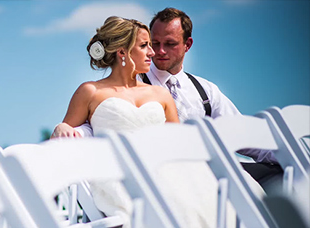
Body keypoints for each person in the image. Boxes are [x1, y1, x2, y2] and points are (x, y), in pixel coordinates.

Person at [54, 14, 278, 228]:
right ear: (123, 52)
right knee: (176, 198)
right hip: (125, 174)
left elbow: (179, 141)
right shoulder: (91, 91)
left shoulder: (160, 94)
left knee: (228, 190)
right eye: (146, 46)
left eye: (156, 45)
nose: (153, 53)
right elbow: (69, 128)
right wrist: (61, 128)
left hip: (171, 165)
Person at [52, 7, 282, 192]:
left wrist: (286, 156)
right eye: (151, 44)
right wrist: (69, 129)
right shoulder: (97, 90)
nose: (157, 51)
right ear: (124, 51)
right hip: (136, 179)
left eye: (169, 44)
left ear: (187, 45)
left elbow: (240, 134)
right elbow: (95, 126)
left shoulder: (204, 91)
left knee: (275, 176)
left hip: (196, 170)